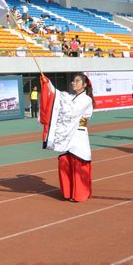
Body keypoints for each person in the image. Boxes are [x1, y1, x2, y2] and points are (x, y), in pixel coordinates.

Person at [39, 73, 94, 202]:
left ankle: (80, 194)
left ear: (84, 85)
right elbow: (58, 96)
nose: (73, 83)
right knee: (65, 162)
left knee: (79, 163)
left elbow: (72, 111)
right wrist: (48, 84)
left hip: (79, 135)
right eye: (73, 81)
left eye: (77, 81)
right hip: (69, 134)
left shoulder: (86, 99)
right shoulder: (71, 97)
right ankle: (68, 192)